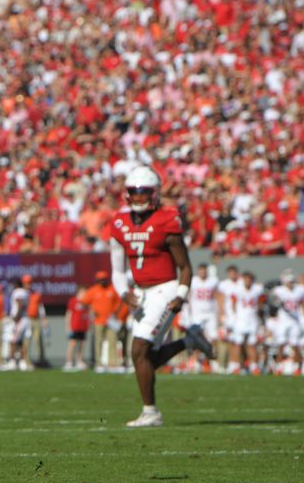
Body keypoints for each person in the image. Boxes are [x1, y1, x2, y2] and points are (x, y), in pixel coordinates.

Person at [109, 166, 214, 427]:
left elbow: (185, 266)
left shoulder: (167, 220)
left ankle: (151, 412)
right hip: (140, 293)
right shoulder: (118, 223)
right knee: (145, 357)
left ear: (154, 193)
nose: (139, 197)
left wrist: (181, 294)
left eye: (144, 192)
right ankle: (187, 342)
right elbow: (117, 270)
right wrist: (124, 293)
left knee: (139, 349)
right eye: (134, 192)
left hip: (165, 289)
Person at [81, 271, 126, 373]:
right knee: (99, 341)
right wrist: (91, 310)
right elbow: (83, 302)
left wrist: (116, 312)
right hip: (98, 321)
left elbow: (119, 302)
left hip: (111, 320)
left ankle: (112, 363)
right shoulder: (93, 291)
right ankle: (99, 363)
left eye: (104, 279)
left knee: (112, 340)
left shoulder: (112, 289)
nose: (102, 282)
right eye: (100, 280)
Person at [181, 264, 220, 372]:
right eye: (201, 270)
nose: (203, 272)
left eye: (204, 270)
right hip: (197, 314)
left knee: (212, 338)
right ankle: (196, 361)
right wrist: (186, 313)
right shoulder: (193, 281)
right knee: (197, 338)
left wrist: (220, 313)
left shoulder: (213, 281)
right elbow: (188, 296)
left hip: (210, 313)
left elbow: (217, 296)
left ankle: (212, 360)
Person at [227, 271, 265, 375]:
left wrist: (259, 317)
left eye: (249, 279)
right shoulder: (238, 289)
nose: (247, 281)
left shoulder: (257, 290)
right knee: (238, 344)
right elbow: (233, 304)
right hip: (241, 320)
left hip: (252, 320)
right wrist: (233, 318)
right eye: (246, 279)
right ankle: (236, 365)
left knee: (251, 344)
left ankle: (254, 366)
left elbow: (261, 303)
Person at [271, 269, 304, 376]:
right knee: (281, 344)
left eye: (291, 281)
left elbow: (302, 304)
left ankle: (297, 367)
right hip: (283, 320)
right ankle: (279, 366)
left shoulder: (299, 290)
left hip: (294, 320)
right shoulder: (278, 290)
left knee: (295, 344)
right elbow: (272, 302)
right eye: (288, 281)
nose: (290, 283)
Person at [3, 275, 34, 371]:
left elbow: (20, 304)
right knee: (20, 342)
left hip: (20, 318)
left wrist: (17, 316)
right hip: (24, 318)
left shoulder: (19, 292)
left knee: (13, 340)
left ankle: (12, 362)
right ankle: (22, 362)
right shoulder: (25, 292)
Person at [64, 285, 89, 371]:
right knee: (72, 344)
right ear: (78, 292)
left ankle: (79, 361)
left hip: (83, 327)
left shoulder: (86, 302)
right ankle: (69, 362)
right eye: (83, 292)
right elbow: (69, 314)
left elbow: (88, 314)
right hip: (74, 327)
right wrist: (68, 326)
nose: (84, 294)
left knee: (81, 345)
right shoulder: (73, 301)